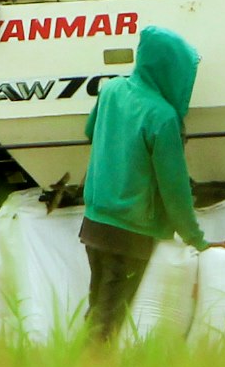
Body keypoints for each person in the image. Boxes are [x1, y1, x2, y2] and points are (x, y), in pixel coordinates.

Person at [78, 26, 215, 342]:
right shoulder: (162, 117)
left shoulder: (111, 90)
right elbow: (174, 188)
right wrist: (196, 239)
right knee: (110, 319)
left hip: (94, 224)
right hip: (131, 233)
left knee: (99, 307)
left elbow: (90, 131)